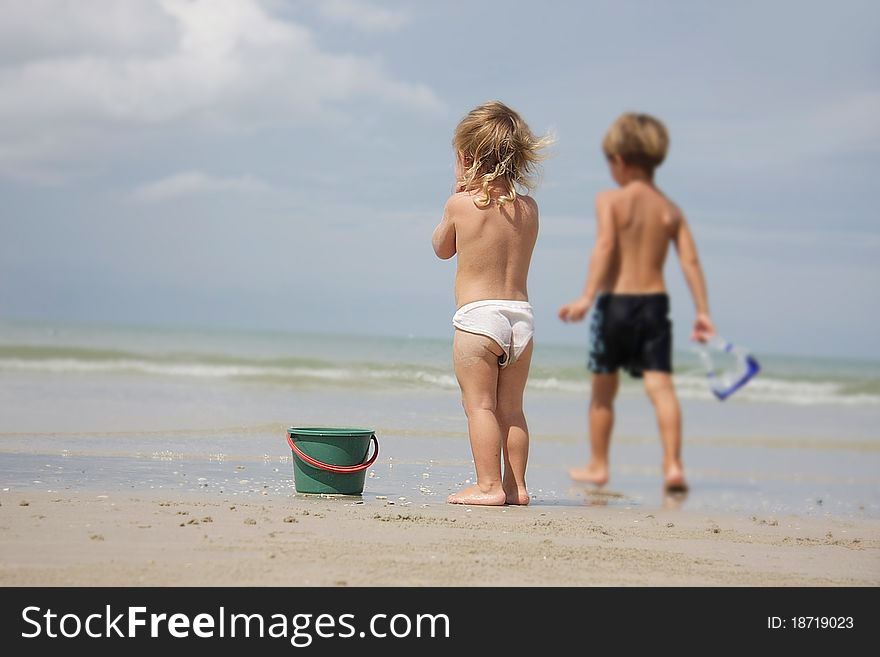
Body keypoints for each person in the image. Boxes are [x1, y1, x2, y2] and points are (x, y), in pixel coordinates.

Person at [558, 112, 715, 494]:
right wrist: (703, 312)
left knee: (603, 390)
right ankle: (673, 464)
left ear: (619, 161)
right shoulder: (669, 209)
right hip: (654, 305)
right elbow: (690, 261)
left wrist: (586, 296)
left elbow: (606, 246)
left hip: (615, 305)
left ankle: (598, 465)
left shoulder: (610, 200)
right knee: (661, 388)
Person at [432, 100, 552, 506]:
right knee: (512, 410)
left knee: (479, 406)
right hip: (521, 319)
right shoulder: (529, 209)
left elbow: (441, 248)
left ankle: (488, 486)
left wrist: (457, 198)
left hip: (479, 319)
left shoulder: (460, 206)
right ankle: (516, 487)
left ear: (466, 158)